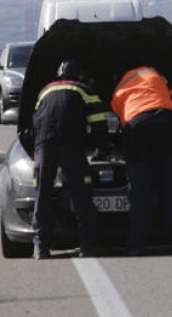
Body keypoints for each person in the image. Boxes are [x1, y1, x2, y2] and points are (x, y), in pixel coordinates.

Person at [32, 60, 108, 260]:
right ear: (80, 75)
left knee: (43, 194)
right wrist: (102, 149)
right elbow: (99, 124)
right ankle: (88, 247)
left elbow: (35, 121)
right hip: (71, 146)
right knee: (81, 195)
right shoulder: (85, 91)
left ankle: (41, 248)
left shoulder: (45, 91)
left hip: (44, 145)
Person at [110, 64, 172, 255]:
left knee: (139, 190)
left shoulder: (119, 91)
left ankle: (136, 244)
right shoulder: (153, 74)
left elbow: (123, 121)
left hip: (138, 126)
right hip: (167, 123)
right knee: (171, 187)